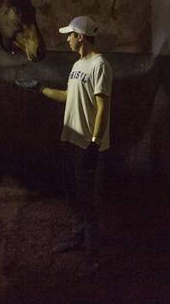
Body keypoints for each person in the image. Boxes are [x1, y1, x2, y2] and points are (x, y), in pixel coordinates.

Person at [17, 15, 113, 262]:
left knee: (89, 199)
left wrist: (94, 143)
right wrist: (39, 88)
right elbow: (68, 97)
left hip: (87, 145)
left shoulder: (99, 65)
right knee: (72, 193)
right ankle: (78, 235)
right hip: (70, 139)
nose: (67, 39)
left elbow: (103, 108)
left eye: (70, 35)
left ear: (80, 36)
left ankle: (94, 253)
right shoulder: (77, 65)